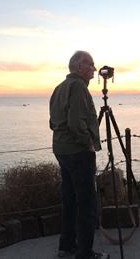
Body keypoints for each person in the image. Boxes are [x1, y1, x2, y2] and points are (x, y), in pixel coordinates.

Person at [49, 50, 108, 259]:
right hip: (78, 151)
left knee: (70, 200)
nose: (94, 68)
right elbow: (75, 123)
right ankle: (85, 253)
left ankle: (66, 246)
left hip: (62, 150)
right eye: (90, 64)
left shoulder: (59, 87)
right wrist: (88, 143)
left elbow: (52, 122)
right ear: (79, 66)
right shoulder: (78, 87)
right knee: (86, 204)